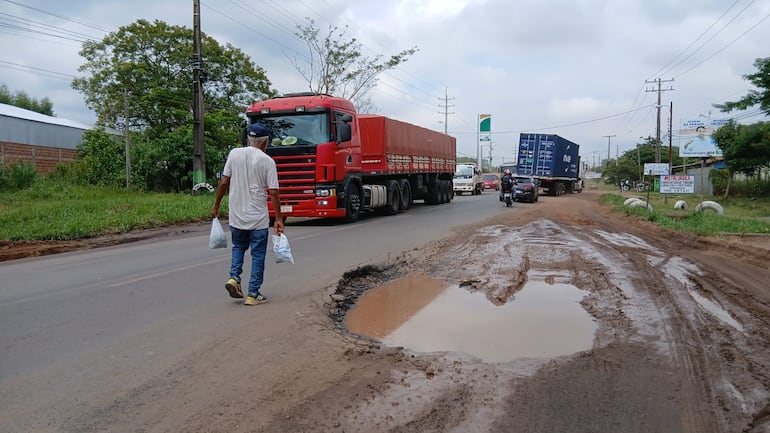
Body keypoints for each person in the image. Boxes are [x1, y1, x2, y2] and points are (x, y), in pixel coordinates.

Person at [212, 122, 284, 306]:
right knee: (258, 255)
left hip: (236, 216)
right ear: (265, 142)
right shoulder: (267, 161)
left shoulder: (234, 153)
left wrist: (216, 206)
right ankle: (253, 294)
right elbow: (274, 192)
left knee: (238, 248)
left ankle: (234, 278)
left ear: (249, 139)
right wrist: (278, 219)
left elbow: (223, 183)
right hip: (258, 219)